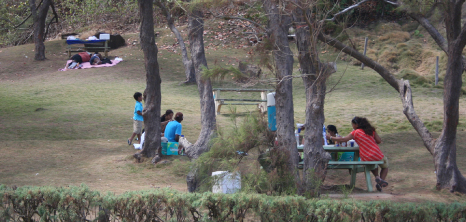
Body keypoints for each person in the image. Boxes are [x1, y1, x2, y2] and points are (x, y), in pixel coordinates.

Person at [330, 117, 389, 192]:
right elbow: (379, 141)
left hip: (365, 155)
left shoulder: (355, 132)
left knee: (371, 162)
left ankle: (377, 176)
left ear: (357, 125)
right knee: (385, 165)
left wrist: (331, 137)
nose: (352, 126)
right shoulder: (371, 130)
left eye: (353, 125)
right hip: (376, 153)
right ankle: (380, 182)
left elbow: (344, 139)